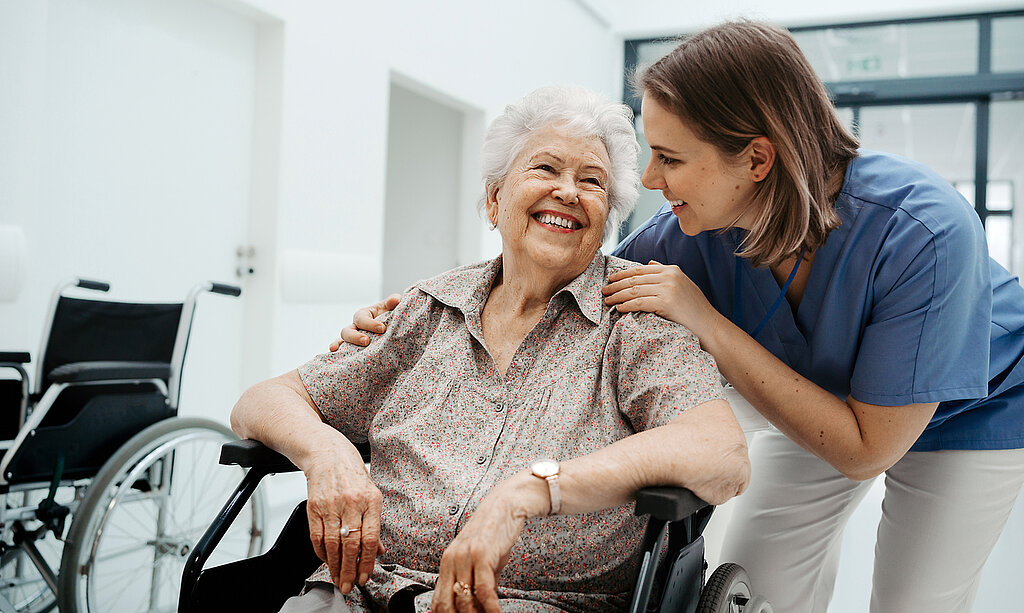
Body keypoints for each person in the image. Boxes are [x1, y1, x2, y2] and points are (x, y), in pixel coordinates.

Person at [339, 21, 1024, 613]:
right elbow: (564, 270)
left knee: (914, 600)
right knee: (765, 583)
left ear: (756, 158)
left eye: (669, 158)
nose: (651, 182)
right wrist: (421, 314)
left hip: (970, 408)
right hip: (818, 401)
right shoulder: (686, 232)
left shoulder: (925, 232)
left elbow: (866, 447)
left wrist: (706, 320)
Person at [234, 85, 750, 613]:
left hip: (535, 603)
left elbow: (722, 452)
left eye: (591, 181)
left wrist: (530, 491)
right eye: (545, 169)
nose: (568, 192)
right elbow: (262, 400)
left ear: (607, 218)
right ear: (493, 200)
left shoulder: (635, 318)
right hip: (362, 592)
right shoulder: (430, 307)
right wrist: (327, 453)